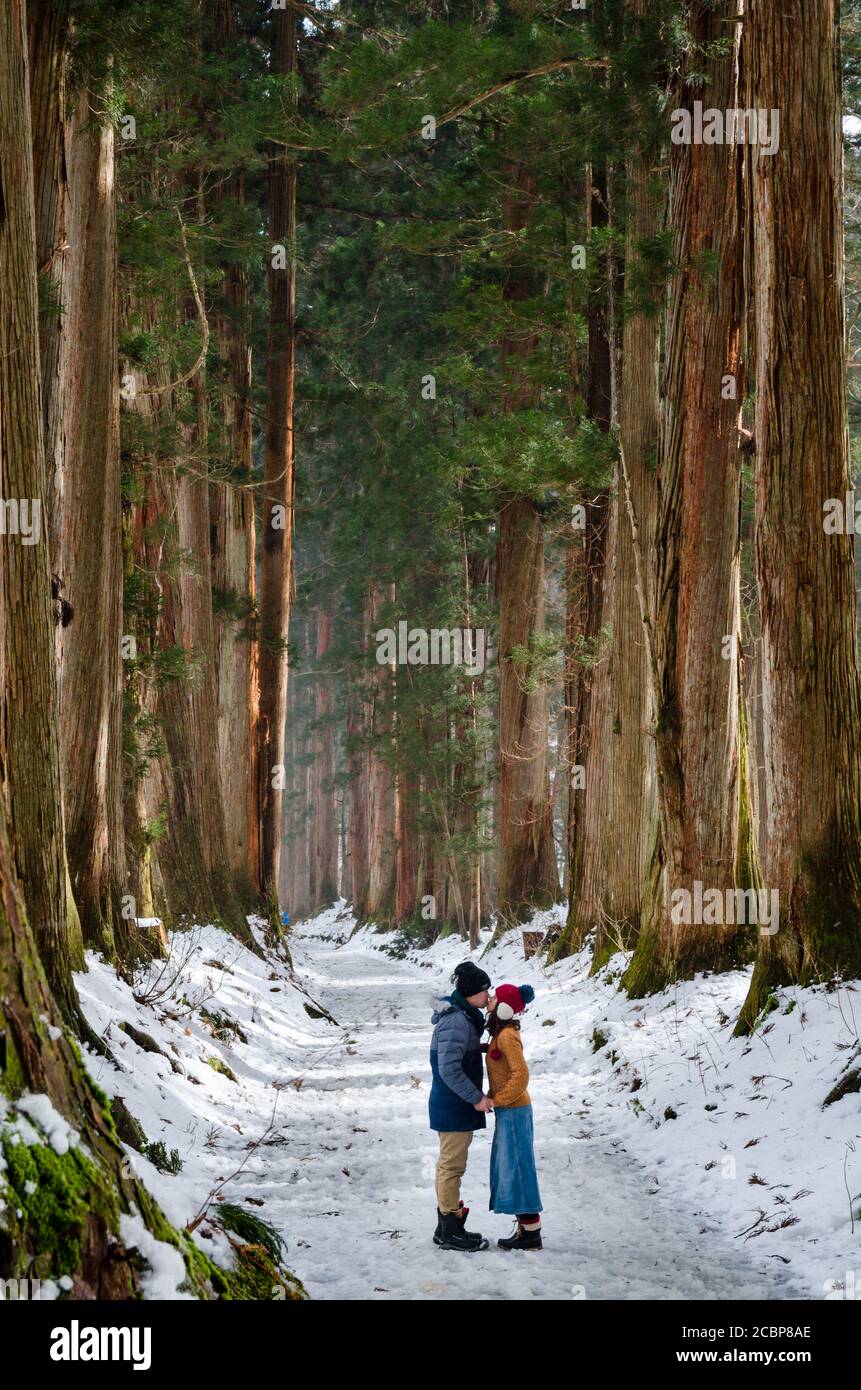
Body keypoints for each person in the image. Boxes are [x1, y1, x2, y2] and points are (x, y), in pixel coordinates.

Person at [428, 960, 494, 1251]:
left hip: (453, 1104)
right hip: (452, 1105)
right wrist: (477, 1098)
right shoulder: (456, 1020)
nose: (488, 996)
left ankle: (446, 1228)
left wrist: (478, 1048)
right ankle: (450, 1230)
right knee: (451, 1167)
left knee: (451, 1166)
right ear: (471, 994)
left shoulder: (463, 1018)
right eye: (485, 991)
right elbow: (449, 1069)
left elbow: (455, 1053)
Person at [485, 983, 543, 1251]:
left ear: (506, 1007)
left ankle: (531, 1233)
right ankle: (526, 1228)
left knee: (519, 1167)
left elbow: (521, 1075)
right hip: (510, 1109)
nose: (491, 999)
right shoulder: (501, 1033)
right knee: (513, 1165)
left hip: (515, 1109)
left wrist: (498, 1099)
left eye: (496, 998)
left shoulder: (507, 1036)